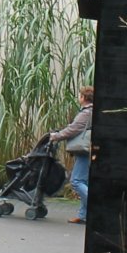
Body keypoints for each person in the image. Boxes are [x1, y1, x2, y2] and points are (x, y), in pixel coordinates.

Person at [48, 85, 95, 224]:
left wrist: (56, 136)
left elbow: (73, 129)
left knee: (76, 181)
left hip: (84, 150)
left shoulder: (87, 112)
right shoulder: (92, 111)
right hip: (86, 150)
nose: (78, 97)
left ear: (84, 97)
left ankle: (94, 206)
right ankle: (82, 215)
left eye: (80, 95)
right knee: (83, 181)